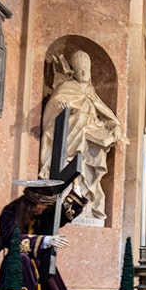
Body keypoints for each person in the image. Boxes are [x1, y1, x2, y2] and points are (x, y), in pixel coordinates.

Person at [40, 50, 126, 223]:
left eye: (87, 70)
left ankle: (85, 208)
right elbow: (55, 106)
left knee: (86, 172)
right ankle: (65, 204)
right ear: (74, 71)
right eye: (81, 71)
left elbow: (106, 114)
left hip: (89, 140)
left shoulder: (92, 93)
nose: (85, 74)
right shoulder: (66, 89)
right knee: (68, 167)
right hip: (71, 137)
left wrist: (115, 126)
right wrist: (62, 106)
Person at [0, 186, 86, 290]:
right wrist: (45, 240)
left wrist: (75, 197)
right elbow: (11, 238)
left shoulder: (41, 214)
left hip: (38, 261)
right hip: (18, 261)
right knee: (23, 259)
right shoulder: (10, 213)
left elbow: (60, 216)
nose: (43, 209)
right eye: (41, 205)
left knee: (49, 271)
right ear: (30, 203)